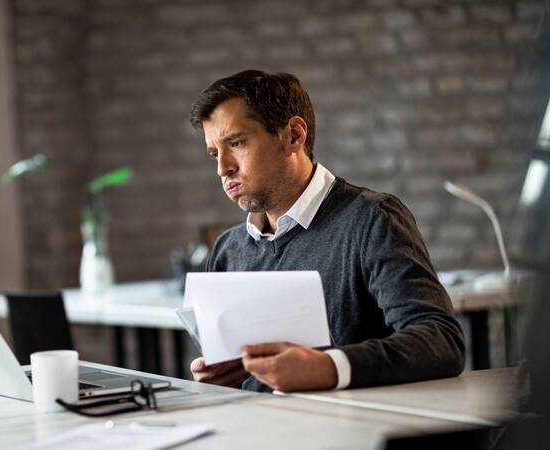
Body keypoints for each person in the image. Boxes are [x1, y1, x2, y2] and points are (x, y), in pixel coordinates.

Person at [187, 70, 465, 392]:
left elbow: (441, 341)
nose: (223, 168)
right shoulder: (227, 250)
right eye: (214, 154)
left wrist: (328, 367)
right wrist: (219, 377)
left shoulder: (373, 220)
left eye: (236, 143)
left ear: (293, 135)